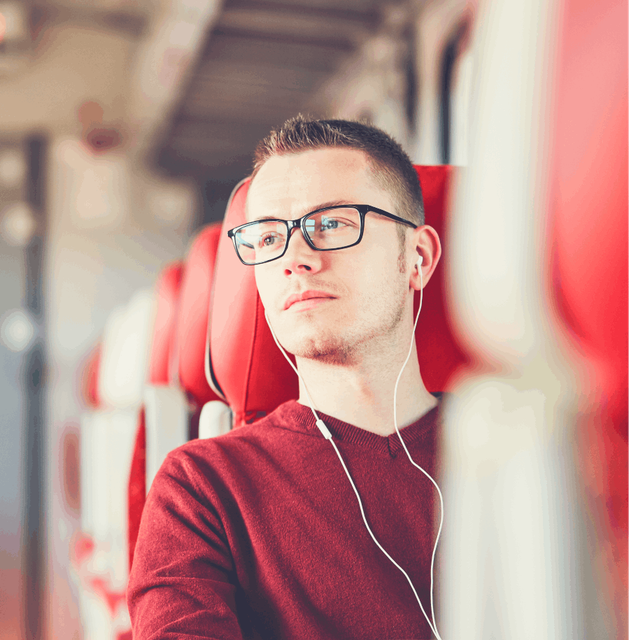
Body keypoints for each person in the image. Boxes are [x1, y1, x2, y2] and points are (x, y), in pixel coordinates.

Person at [127, 116, 444, 639]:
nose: (294, 259)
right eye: (269, 235)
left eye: (334, 224)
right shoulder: (202, 487)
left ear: (417, 257)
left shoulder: (526, 454)